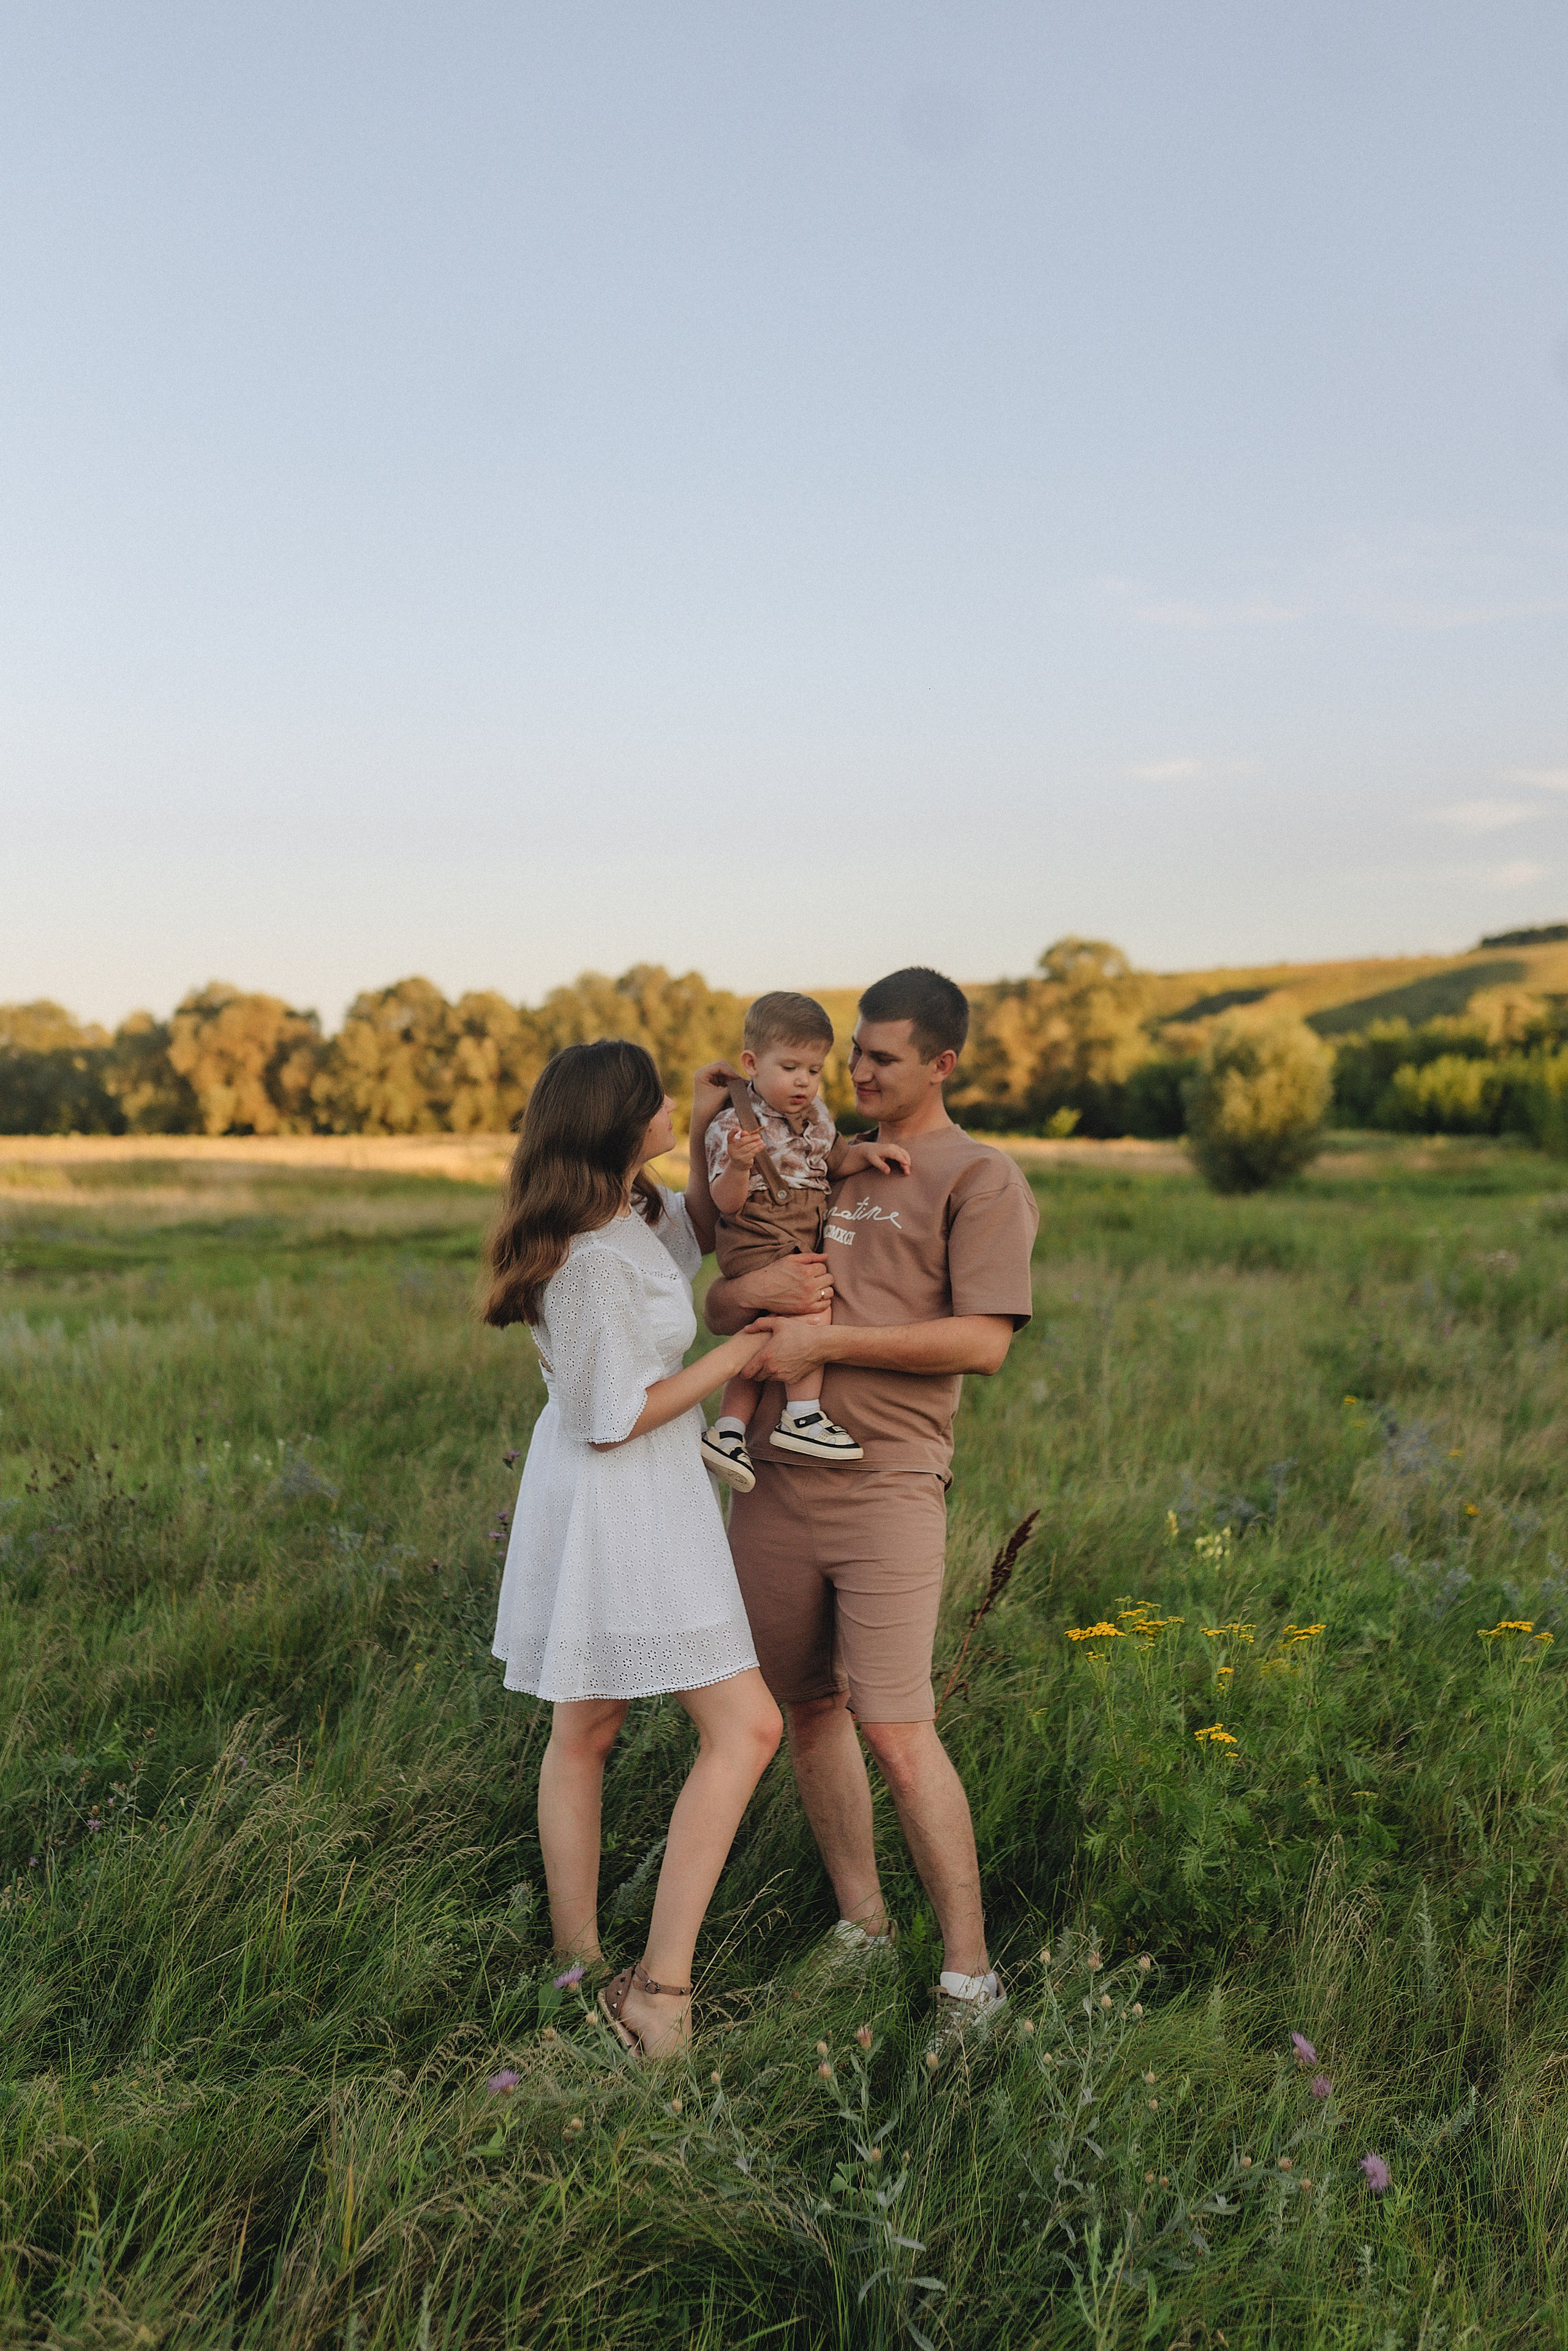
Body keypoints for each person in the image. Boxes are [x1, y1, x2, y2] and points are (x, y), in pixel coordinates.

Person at [687, 968, 1039, 2043]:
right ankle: (863, 1924)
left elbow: (983, 1341)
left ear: (943, 1062)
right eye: (856, 1056)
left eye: (884, 1056)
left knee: (896, 1723)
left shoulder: (979, 1176)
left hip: (889, 1479)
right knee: (806, 1707)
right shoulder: (819, 1148)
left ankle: (971, 1983)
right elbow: (723, 1289)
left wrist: (824, 1342)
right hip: (772, 1475)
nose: (859, 1071)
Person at [483, 1038, 782, 2059]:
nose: (668, 1102)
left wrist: (710, 1123)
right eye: (655, 1097)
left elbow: (693, 1229)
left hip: (642, 1487)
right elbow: (613, 1417)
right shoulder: (583, 1260)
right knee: (738, 1728)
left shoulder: (631, 1212)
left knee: (591, 1725)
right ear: (615, 1121)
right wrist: (736, 1354)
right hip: (619, 1491)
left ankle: (583, 1969)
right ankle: (648, 1989)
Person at [698, 990, 910, 1491]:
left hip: (794, 1229)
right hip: (756, 1234)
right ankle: (803, 1414)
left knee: (768, 1327)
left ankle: (728, 1430)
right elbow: (725, 1203)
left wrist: (870, 1155)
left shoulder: (817, 1116)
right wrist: (740, 1164)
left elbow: (833, 1161)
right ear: (751, 1063)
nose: (803, 1081)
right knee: (812, 1305)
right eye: (790, 1067)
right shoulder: (733, 1125)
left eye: (814, 1070)